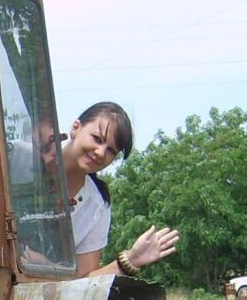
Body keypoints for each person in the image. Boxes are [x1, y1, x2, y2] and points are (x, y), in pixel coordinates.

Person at [62, 101, 179, 277]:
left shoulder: (97, 206)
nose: (100, 153)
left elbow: (83, 280)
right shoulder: (22, 159)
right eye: (97, 139)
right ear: (75, 128)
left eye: (111, 150)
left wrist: (131, 260)